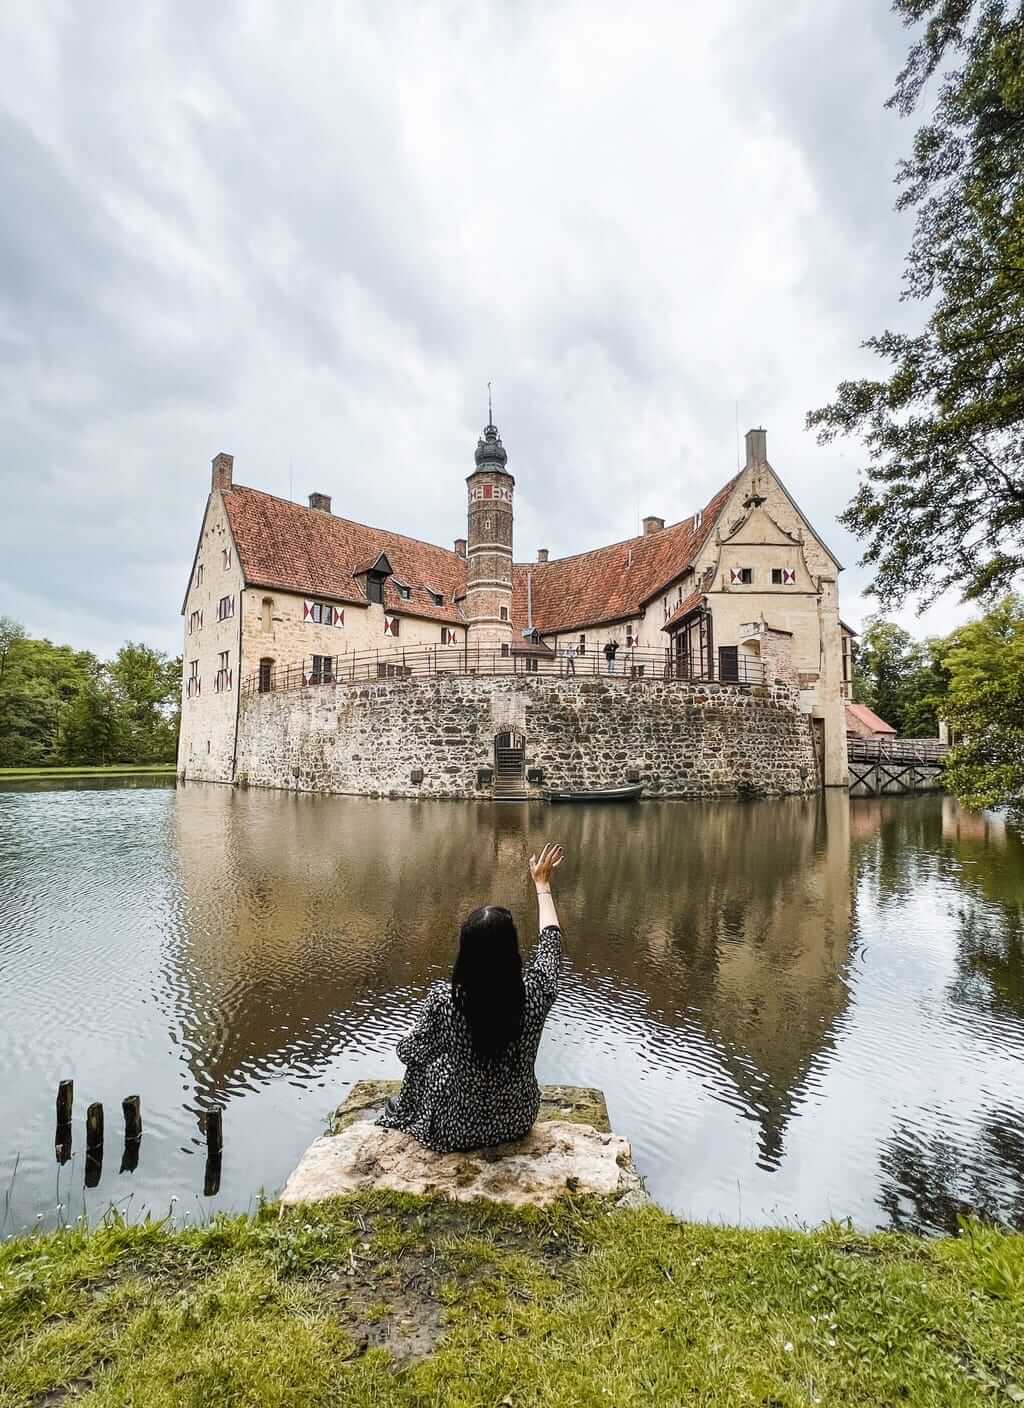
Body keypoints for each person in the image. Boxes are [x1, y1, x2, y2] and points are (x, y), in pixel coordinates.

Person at [377, 843, 566, 1152]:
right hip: (517, 1120)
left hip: (457, 1128)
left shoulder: (446, 1001)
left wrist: (425, 1044)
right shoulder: (535, 992)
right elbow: (551, 945)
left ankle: (404, 1111)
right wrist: (542, 886)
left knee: (426, 1062)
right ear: (512, 950)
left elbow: (409, 1052)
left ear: (466, 953)